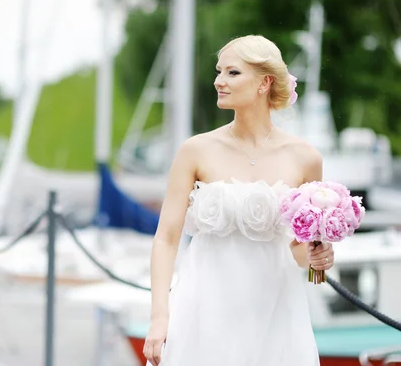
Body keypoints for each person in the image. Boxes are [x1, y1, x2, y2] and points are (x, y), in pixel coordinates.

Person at [143, 34, 335, 366]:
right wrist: (159, 317)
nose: (219, 81)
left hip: (275, 309)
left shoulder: (306, 158)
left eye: (232, 73)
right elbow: (166, 238)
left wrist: (319, 258)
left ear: (264, 83)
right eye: (219, 71)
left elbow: (300, 253)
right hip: (204, 307)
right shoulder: (195, 150)